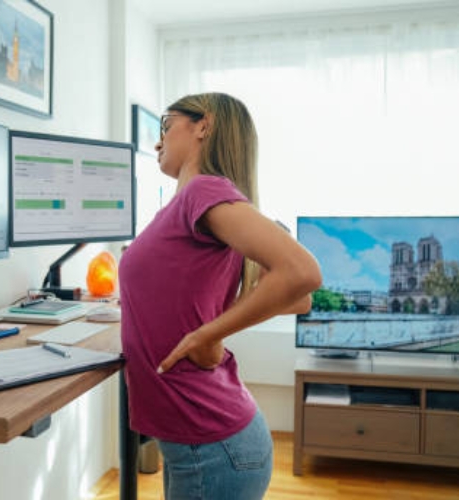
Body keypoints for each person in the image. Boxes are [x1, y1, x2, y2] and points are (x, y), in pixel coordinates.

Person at [118, 92, 322, 500]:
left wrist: (207, 334)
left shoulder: (203, 191)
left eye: (165, 125)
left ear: (203, 125)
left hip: (210, 447)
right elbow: (295, 299)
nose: (157, 142)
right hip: (199, 443)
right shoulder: (194, 202)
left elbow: (302, 278)